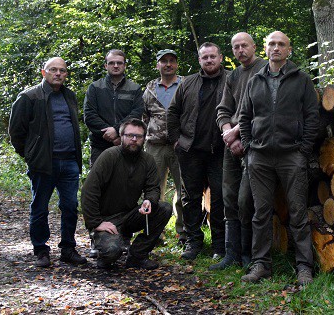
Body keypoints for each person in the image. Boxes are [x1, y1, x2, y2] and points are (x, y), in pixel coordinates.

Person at [238, 31, 319, 286]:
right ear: (265, 48)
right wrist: (249, 147)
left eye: (281, 44)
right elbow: (244, 117)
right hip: (259, 157)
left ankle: (304, 267)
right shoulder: (255, 80)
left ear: (289, 50)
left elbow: (312, 117)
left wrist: (303, 150)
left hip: (291, 156)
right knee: (260, 212)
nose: (276, 48)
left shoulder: (302, 80)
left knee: (297, 212)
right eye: (272, 44)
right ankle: (261, 264)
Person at [8, 57, 87, 268]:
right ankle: (41, 250)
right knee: (40, 207)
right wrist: (31, 155)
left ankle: (68, 249)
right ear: (44, 72)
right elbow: (16, 132)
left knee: (70, 206)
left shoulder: (69, 95)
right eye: (53, 70)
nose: (58, 74)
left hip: (69, 160)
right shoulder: (29, 97)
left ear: (66, 74)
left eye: (62, 70)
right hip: (44, 163)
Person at [81, 118, 172, 270]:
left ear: (144, 139)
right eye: (130, 135)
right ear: (122, 136)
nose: (134, 139)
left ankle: (137, 256)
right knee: (112, 252)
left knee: (164, 208)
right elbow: (89, 191)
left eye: (139, 136)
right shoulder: (109, 156)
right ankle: (104, 251)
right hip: (107, 219)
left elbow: (153, 188)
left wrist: (149, 200)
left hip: (130, 215)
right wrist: (96, 223)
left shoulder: (147, 160)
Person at [167, 42, 228, 260]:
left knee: (220, 197)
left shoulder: (231, 80)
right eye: (205, 57)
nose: (209, 60)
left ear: (220, 58)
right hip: (191, 150)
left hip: (220, 151)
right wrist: (176, 140)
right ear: (199, 60)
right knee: (190, 198)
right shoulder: (188, 83)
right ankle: (193, 242)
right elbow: (173, 112)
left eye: (213, 56)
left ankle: (220, 245)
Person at [211, 33, 266, 270]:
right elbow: (223, 109)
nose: (241, 50)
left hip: (254, 143)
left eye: (244, 45)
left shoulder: (265, 70)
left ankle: (248, 255)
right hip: (231, 144)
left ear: (254, 47)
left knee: (246, 200)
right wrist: (227, 133)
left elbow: (263, 110)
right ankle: (230, 254)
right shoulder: (233, 76)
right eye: (236, 47)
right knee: (229, 197)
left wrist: (237, 133)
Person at [142, 49, 185, 243]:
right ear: (158, 65)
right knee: (153, 189)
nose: (168, 64)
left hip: (180, 145)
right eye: (164, 61)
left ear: (176, 64)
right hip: (155, 146)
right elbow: (144, 116)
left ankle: (183, 233)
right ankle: (154, 232)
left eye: (172, 61)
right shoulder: (150, 88)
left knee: (183, 189)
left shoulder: (185, 84)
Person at [84, 49, 144, 165]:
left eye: (119, 63)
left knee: (128, 181)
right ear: (106, 66)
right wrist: (111, 136)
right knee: (99, 181)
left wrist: (117, 131)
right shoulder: (95, 88)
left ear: (125, 65)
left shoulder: (134, 88)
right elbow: (90, 115)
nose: (115, 66)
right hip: (100, 146)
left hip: (127, 145)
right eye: (111, 63)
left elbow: (136, 114)